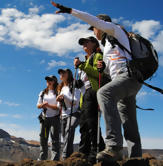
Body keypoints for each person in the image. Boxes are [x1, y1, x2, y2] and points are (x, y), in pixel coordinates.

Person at [52, 1, 142, 162]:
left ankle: (114, 147)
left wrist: (70, 10)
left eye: (94, 28)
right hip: (122, 80)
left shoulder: (116, 31)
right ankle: (136, 157)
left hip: (128, 77)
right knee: (128, 119)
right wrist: (104, 68)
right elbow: (113, 67)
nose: (94, 31)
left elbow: (94, 21)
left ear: (101, 25)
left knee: (104, 93)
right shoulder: (108, 46)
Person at [74, 36, 105, 163]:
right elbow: (86, 78)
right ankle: (84, 152)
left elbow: (98, 74)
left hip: (93, 92)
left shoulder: (98, 56)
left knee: (92, 123)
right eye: (83, 43)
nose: (84, 45)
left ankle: (95, 151)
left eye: (87, 42)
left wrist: (81, 65)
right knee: (84, 124)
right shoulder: (87, 59)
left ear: (94, 43)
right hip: (85, 94)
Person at [56, 68, 81, 160]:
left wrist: (65, 97)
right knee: (66, 136)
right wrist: (59, 101)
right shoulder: (61, 88)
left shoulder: (74, 85)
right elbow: (59, 105)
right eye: (60, 73)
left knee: (69, 130)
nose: (61, 74)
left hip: (74, 113)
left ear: (69, 74)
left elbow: (76, 101)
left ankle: (64, 156)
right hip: (63, 115)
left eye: (64, 73)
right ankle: (69, 157)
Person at [37, 75, 60, 161]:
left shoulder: (58, 92)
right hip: (44, 118)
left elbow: (58, 107)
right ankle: (42, 158)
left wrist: (47, 105)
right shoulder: (42, 93)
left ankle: (55, 159)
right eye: (47, 80)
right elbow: (38, 105)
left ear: (54, 81)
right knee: (43, 138)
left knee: (54, 139)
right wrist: (42, 105)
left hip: (55, 118)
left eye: (50, 80)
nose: (48, 82)